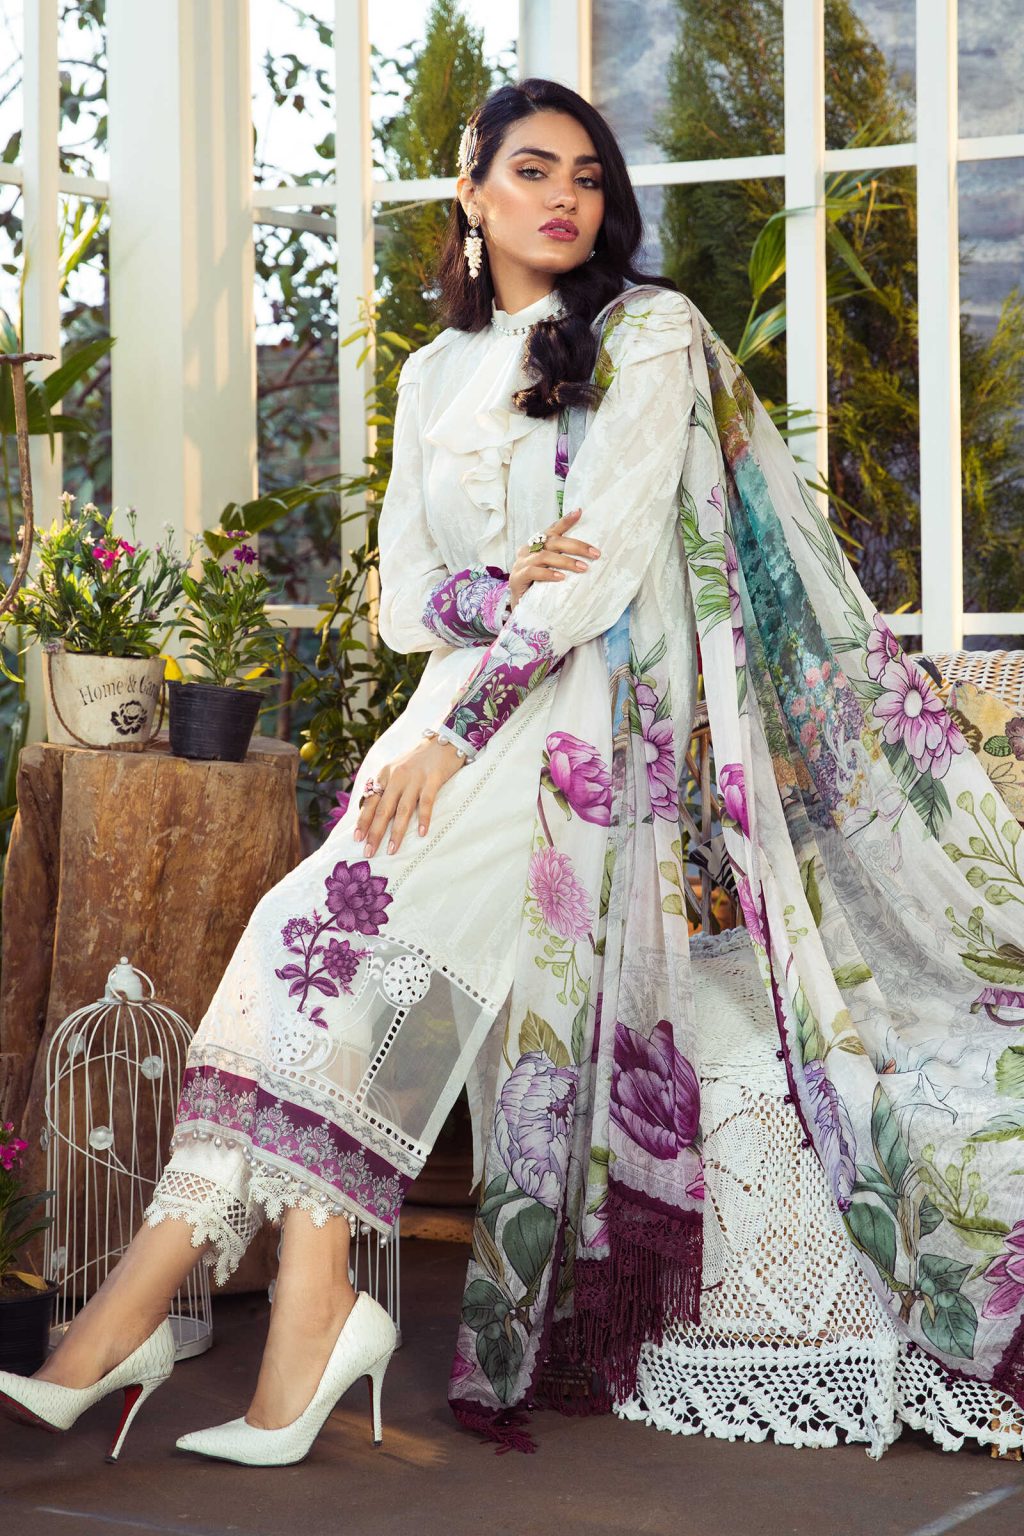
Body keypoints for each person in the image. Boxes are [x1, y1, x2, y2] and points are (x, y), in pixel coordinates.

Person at [3, 76, 1024, 1467]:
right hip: (448, 724)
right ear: (471, 191)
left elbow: (595, 580)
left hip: (577, 741)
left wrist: (464, 714)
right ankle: (292, 1329)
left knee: (323, 944)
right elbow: (400, 603)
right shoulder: (435, 373)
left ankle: (133, 1331)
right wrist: (495, 598)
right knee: (362, 973)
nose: (566, 197)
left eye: (588, 177)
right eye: (533, 169)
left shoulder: (646, 333)